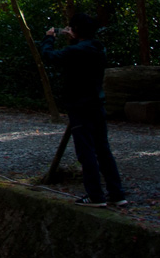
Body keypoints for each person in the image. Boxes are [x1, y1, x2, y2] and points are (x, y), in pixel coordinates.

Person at [42, 13, 127, 207]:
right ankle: (116, 193)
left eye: (71, 28)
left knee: (86, 151)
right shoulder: (98, 48)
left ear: (77, 30)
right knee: (103, 149)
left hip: (80, 107)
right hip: (97, 104)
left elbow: (50, 56)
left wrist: (49, 38)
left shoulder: (77, 52)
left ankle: (95, 196)